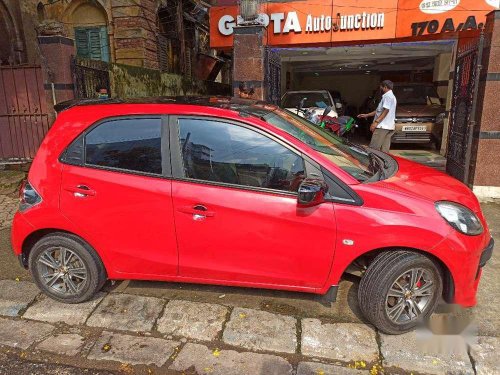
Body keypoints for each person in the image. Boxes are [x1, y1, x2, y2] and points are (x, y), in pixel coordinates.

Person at [358, 80, 397, 153]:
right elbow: (379, 111)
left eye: (381, 87)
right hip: (388, 127)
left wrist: (376, 122)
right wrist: (367, 115)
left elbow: (386, 110)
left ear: (385, 87)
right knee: (384, 151)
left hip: (382, 126)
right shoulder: (391, 96)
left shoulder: (388, 96)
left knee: (373, 149)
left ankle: (371, 164)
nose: (380, 89)